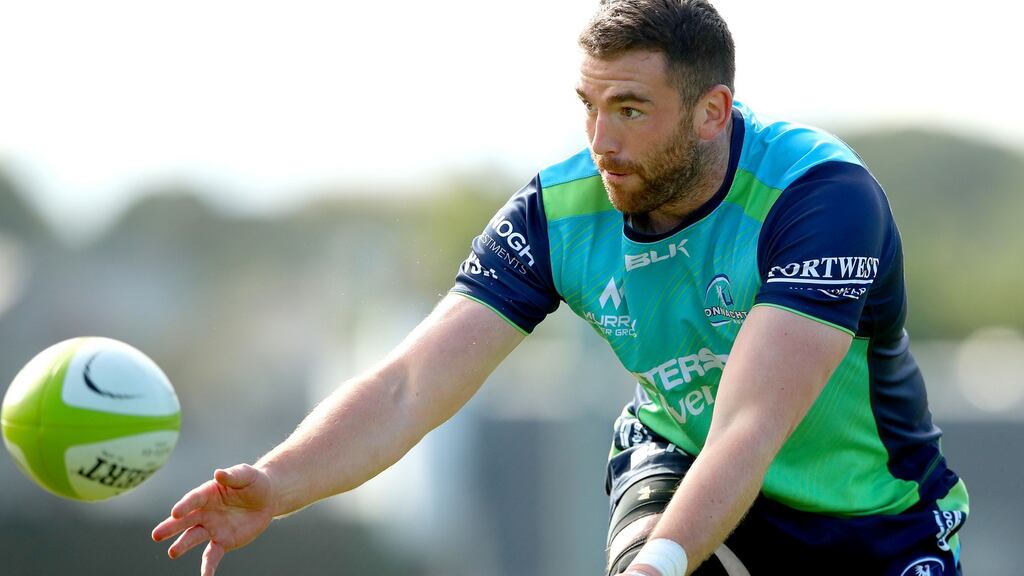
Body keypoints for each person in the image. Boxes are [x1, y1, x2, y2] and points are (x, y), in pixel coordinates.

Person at [151, 1, 969, 574]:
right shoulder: (559, 210)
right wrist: (278, 481)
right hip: (679, 464)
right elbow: (408, 386)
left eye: (630, 110)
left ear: (713, 111)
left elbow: (750, 430)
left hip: (874, 519)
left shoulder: (820, 199)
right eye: (589, 106)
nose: (601, 142)